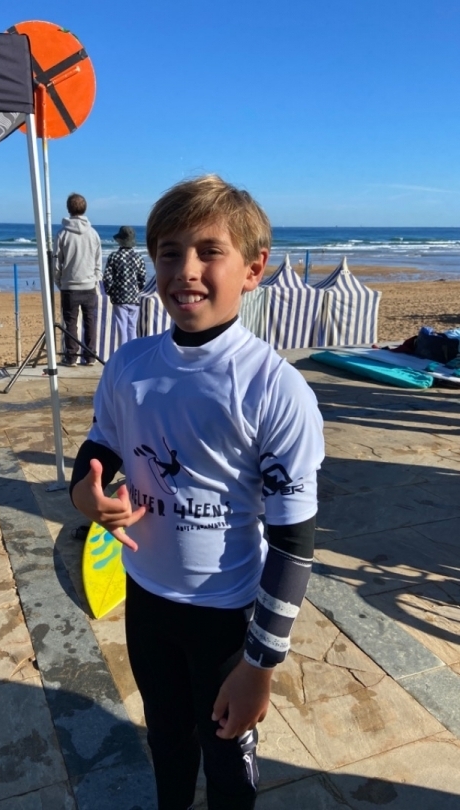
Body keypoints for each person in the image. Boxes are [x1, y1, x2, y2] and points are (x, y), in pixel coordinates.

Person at [70, 175, 325, 810]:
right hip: (146, 599)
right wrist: (85, 497)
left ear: (253, 269)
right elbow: (100, 447)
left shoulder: (274, 388)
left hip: (227, 616)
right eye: (169, 252)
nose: (186, 269)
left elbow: (294, 543)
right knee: (167, 740)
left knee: (228, 761)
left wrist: (259, 666)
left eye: (210, 252)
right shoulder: (129, 365)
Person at [53, 193, 102, 366]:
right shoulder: (93, 234)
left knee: (71, 323)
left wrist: (59, 281)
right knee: (90, 321)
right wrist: (96, 279)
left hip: (70, 285)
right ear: (85, 208)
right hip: (88, 285)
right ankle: (90, 356)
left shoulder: (62, 234)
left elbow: (56, 262)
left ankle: (72, 356)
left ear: (68, 209)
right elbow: (98, 260)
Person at [103, 226, 146, 346]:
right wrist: (137, 290)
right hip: (134, 297)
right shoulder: (138, 258)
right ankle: (132, 350)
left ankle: (123, 350)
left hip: (119, 297)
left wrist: (110, 291)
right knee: (132, 327)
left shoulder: (114, 256)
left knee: (122, 327)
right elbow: (142, 279)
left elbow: (107, 278)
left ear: (120, 240)